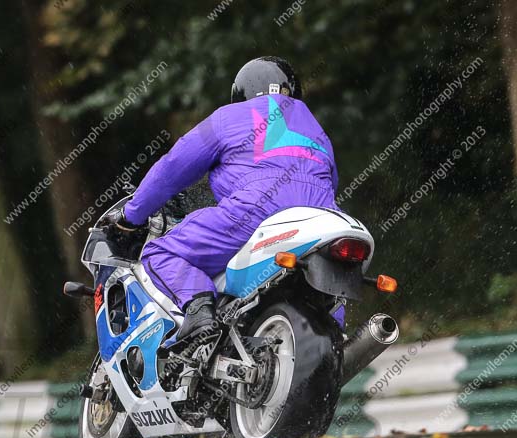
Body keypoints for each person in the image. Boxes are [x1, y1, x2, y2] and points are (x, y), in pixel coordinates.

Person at [106, 56, 342, 345]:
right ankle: (336, 335)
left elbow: (172, 168)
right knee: (331, 278)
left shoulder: (228, 118)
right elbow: (330, 182)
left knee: (160, 253)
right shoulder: (318, 130)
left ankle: (200, 311)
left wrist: (132, 216)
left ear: (241, 92)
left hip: (254, 212)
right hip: (323, 217)